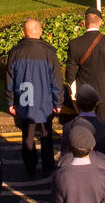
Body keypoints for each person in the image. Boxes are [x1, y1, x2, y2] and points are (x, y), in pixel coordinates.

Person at [5, 18, 63, 178]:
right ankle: (47, 166)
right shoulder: (49, 52)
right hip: (45, 100)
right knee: (46, 134)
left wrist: (11, 101)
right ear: (40, 31)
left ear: (24, 33)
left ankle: (30, 167)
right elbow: (56, 80)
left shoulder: (15, 52)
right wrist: (58, 101)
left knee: (28, 135)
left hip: (24, 100)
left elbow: (10, 79)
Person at [66, 9, 105, 124]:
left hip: (84, 92)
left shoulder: (74, 44)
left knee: (87, 127)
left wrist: (72, 89)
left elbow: (70, 70)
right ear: (100, 22)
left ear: (85, 22)